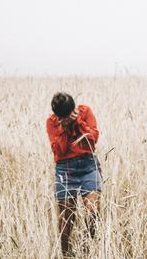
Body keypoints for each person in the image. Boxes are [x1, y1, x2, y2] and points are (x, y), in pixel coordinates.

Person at [46, 92, 102, 256]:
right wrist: (64, 128)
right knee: (66, 220)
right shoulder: (52, 122)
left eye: (68, 115)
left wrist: (78, 122)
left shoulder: (85, 112)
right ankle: (65, 254)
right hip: (65, 169)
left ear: (73, 109)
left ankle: (86, 251)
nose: (65, 119)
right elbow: (59, 151)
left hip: (88, 165)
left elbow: (93, 139)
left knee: (93, 213)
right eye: (61, 117)